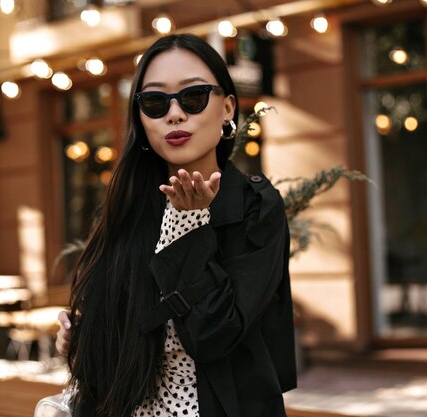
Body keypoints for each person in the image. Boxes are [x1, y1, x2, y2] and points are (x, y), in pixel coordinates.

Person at [56, 33, 296, 417]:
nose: (174, 114)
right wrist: (81, 339)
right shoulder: (125, 207)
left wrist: (187, 226)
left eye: (193, 97)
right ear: (141, 118)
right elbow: (120, 334)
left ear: (228, 108)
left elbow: (215, 335)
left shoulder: (257, 207)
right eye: (154, 102)